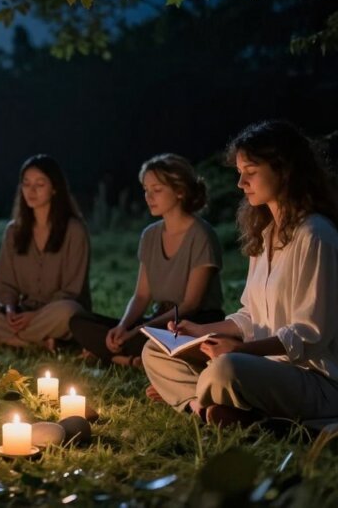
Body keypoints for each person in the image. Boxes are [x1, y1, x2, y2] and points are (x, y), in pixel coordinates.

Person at [144, 121, 338, 426]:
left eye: (250, 171)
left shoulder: (316, 235)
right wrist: (199, 331)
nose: (241, 183)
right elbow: (251, 316)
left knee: (226, 368)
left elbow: (309, 335)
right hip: (262, 366)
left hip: (313, 379)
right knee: (154, 351)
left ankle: (198, 398)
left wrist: (242, 350)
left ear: (284, 170)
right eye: (239, 172)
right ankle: (207, 406)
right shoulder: (266, 235)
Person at [70, 154, 224, 367]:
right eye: (145, 189)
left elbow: (190, 305)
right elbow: (142, 295)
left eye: (157, 190)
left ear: (180, 191)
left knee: (151, 339)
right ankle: (129, 357)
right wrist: (123, 326)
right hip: (157, 320)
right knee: (79, 322)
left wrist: (139, 330)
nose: (149, 196)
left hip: (191, 324)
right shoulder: (150, 235)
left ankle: (120, 357)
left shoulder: (202, 235)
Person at [0, 155, 90, 350]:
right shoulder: (14, 231)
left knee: (69, 311)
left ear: (54, 188)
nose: (31, 191)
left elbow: (72, 291)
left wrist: (35, 316)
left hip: (55, 314)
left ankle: (4, 338)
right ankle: (38, 342)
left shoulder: (74, 230)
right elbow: (5, 284)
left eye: (39, 184)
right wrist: (10, 309)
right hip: (22, 313)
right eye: (26, 184)